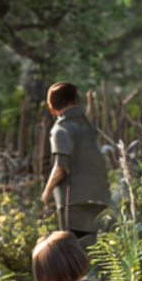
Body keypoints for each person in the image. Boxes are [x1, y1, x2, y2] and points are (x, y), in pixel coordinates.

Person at [41, 81, 110, 249]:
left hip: (73, 201)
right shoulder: (88, 125)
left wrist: (46, 194)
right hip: (99, 196)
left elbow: (61, 168)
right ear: (77, 100)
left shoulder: (61, 130)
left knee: (75, 248)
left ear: (51, 108)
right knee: (97, 247)